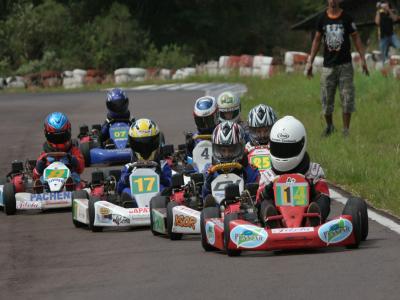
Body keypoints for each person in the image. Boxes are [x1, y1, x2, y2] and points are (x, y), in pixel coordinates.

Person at [306, 0, 369, 137]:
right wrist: (310, 61)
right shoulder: (321, 19)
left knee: (347, 97)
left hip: (345, 65)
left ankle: (346, 130)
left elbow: (356, 38)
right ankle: (329, 126)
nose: (333, 1)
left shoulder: (347, 18)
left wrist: (363, 59)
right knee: (326, 98)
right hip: (328, 66)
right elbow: (317, 40)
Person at [257, 116, 331, 227]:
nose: (283, 153)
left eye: (288, 149)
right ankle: (272, 221)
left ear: (301, 144)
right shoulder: (268, 175)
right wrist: (267, 191)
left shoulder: (313, 171)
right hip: (279, 217)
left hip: (306, 216)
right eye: (279, 148)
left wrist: (312, 190)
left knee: (323, 200)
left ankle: (313, 219)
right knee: (265, 203)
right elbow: (258, 201)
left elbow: (325, 198)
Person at [202, 121, 259, 205]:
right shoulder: (210, 172)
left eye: (231, 150)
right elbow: (203, 199)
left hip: (245, 212)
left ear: (241, 147)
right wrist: (207, 186)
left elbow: (257, 199)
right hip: (216, 213)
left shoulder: (251, 171)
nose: (227, 155)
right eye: (223, 150)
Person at [117, 118, 172, 206]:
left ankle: (158, 207)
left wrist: (161, 176)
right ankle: (129, 206)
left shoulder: (163, 165)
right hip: (134, 199)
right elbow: (119, 188)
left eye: (148, 145)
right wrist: (126, 179)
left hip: (157, 200)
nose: (144, 149)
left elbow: (169, 183)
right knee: (126, 191)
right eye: (140, 146)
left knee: (164, 190)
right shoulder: (129, 167)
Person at [33, 112, 85, 185]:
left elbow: (81, 168)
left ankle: (73, 190)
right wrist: (39, 168)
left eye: (62, 136)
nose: (59, 140)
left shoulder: (73, 151)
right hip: (48, 182)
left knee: (75, 178)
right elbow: (35, 175)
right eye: (55, 137)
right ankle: (42, 192)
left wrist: (74, 160)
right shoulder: (44, 156)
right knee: (41, 180)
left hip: (69, 181)